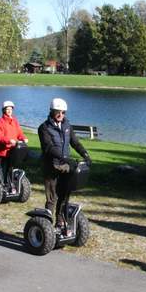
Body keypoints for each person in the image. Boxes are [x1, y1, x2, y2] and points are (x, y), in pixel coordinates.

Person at [38, 98, 91, 230]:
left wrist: (85, 154)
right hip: (51, 166)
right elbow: (48, 148)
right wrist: (65, 158)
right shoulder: (44, 128)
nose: (61, 115)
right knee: (52, 197)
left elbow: (75, 142)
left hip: (65, 167)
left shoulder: (67, 125)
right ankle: (47, 226)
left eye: (63, 112)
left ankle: (60, 220)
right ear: (51, 111)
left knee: (64, 194)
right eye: (58, 112)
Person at [0, 100, 28, 193]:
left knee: (11, 169)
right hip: (2, 152)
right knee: (2, 171)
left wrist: (23, 138)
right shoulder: (0, 122)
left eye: (10, 109)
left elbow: (19, 133)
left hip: (13, 151)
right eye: (7, 109)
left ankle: (10, 186)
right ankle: (0, 189)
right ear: (4, 110)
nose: (9, 111)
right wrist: (9, 140)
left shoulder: (14, 121)